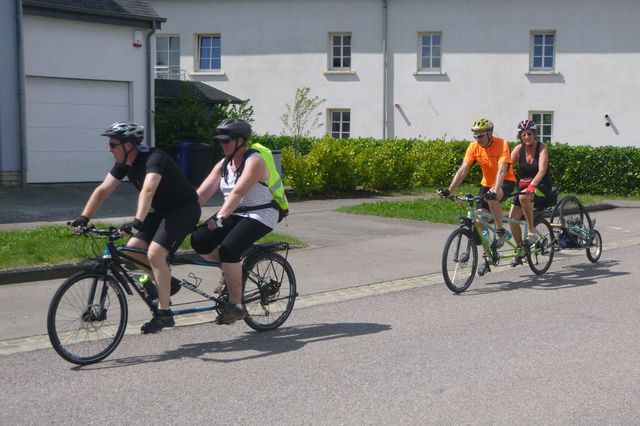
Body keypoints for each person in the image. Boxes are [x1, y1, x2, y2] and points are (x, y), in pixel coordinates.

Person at [70, 122, 200, 334]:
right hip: (160, 212)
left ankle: (164, 313)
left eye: (113, 144)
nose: (109, 149)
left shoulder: (154, 158)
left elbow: (148, 190)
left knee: (155, 253)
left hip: (183, 210)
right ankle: (169, 282)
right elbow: (103, 189)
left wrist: (136, 222)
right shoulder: (124, 162)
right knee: (132, 251)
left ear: (128, 145)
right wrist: (84, 217)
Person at [191, 118, 278, 325]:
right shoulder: (223, 164)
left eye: (226, 141)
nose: (222, 145)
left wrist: (220, 218)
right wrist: (180, 212)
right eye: (220, 141)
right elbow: (202, 195)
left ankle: (237, 305)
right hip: (236, 213)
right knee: (199, 240)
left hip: (261, 214)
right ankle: (231, 272)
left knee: (229, 249)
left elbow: (238, 192)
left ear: (240, 140)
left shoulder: (254, 161)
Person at [438, 118, 517, 272]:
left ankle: (501, 233)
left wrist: (494, 191)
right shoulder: (473, 147)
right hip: (486, 184)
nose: (477, 139)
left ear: (489, 134)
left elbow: (502, 170)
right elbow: (463, 170)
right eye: (475, 136)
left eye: (480, 136)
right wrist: (450, 190)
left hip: (505, 181)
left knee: (491, 198)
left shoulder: (502, 144)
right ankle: (487, 257)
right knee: (480, 220)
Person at [508, 119, 554, 266]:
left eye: (529, 134)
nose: (526, 137)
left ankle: (532, 233)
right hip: (524, 187)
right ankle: (521, 249)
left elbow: (542, 170)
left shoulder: (541, 147)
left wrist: (532, 186)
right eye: (523, 134)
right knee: (512, 219)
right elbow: (506, 167)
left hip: (542, 187)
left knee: (523, 196)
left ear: (534, 134)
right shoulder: (518, 149)